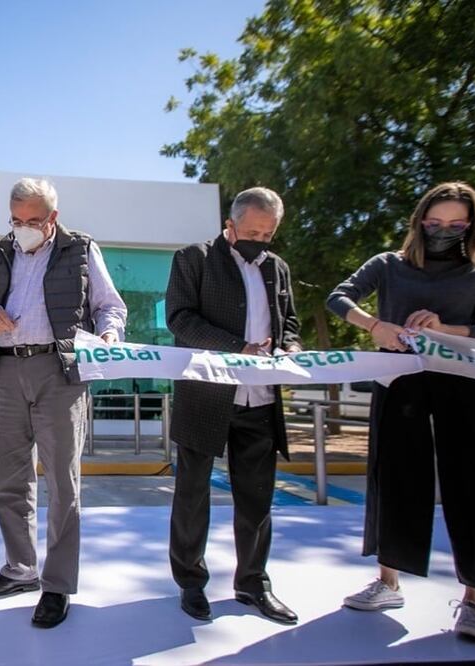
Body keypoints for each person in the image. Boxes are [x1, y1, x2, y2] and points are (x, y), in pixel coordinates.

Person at [328, 181, 475, 642]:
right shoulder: (388, 265)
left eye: (456, 224)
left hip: (463, 386)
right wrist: (375, 325)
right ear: (420, 221)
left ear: (471, 225)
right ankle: (387, 581)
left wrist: (447, 329)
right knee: (396, 478)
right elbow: (339, 298)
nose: (444, 231)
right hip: (400, 384)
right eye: (436, 222)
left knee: (472, 487)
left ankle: (473, 601)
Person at [0, 178, 127, 629]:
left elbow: (109, 306)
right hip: (6, 370)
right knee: (10, 479)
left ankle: (56, 586)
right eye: (15, 220)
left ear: (52, 218)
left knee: (62, 482)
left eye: (32, 221)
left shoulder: (80, 249)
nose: (22, 229)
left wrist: (110, 334)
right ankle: (20, 568)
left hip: (61, 373)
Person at [165, 186, 302, 625]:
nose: (259, 241)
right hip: (206, 398)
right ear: (231, 223)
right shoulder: (194, 259)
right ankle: (190, 583)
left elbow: (291, 323)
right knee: (192, 495)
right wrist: (237, 348)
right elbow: (181, 319)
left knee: (257, 500)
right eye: (252, 232)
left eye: (267, 234)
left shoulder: (277, 268)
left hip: (260, 401)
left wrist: (292, 348)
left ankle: (253, 583)